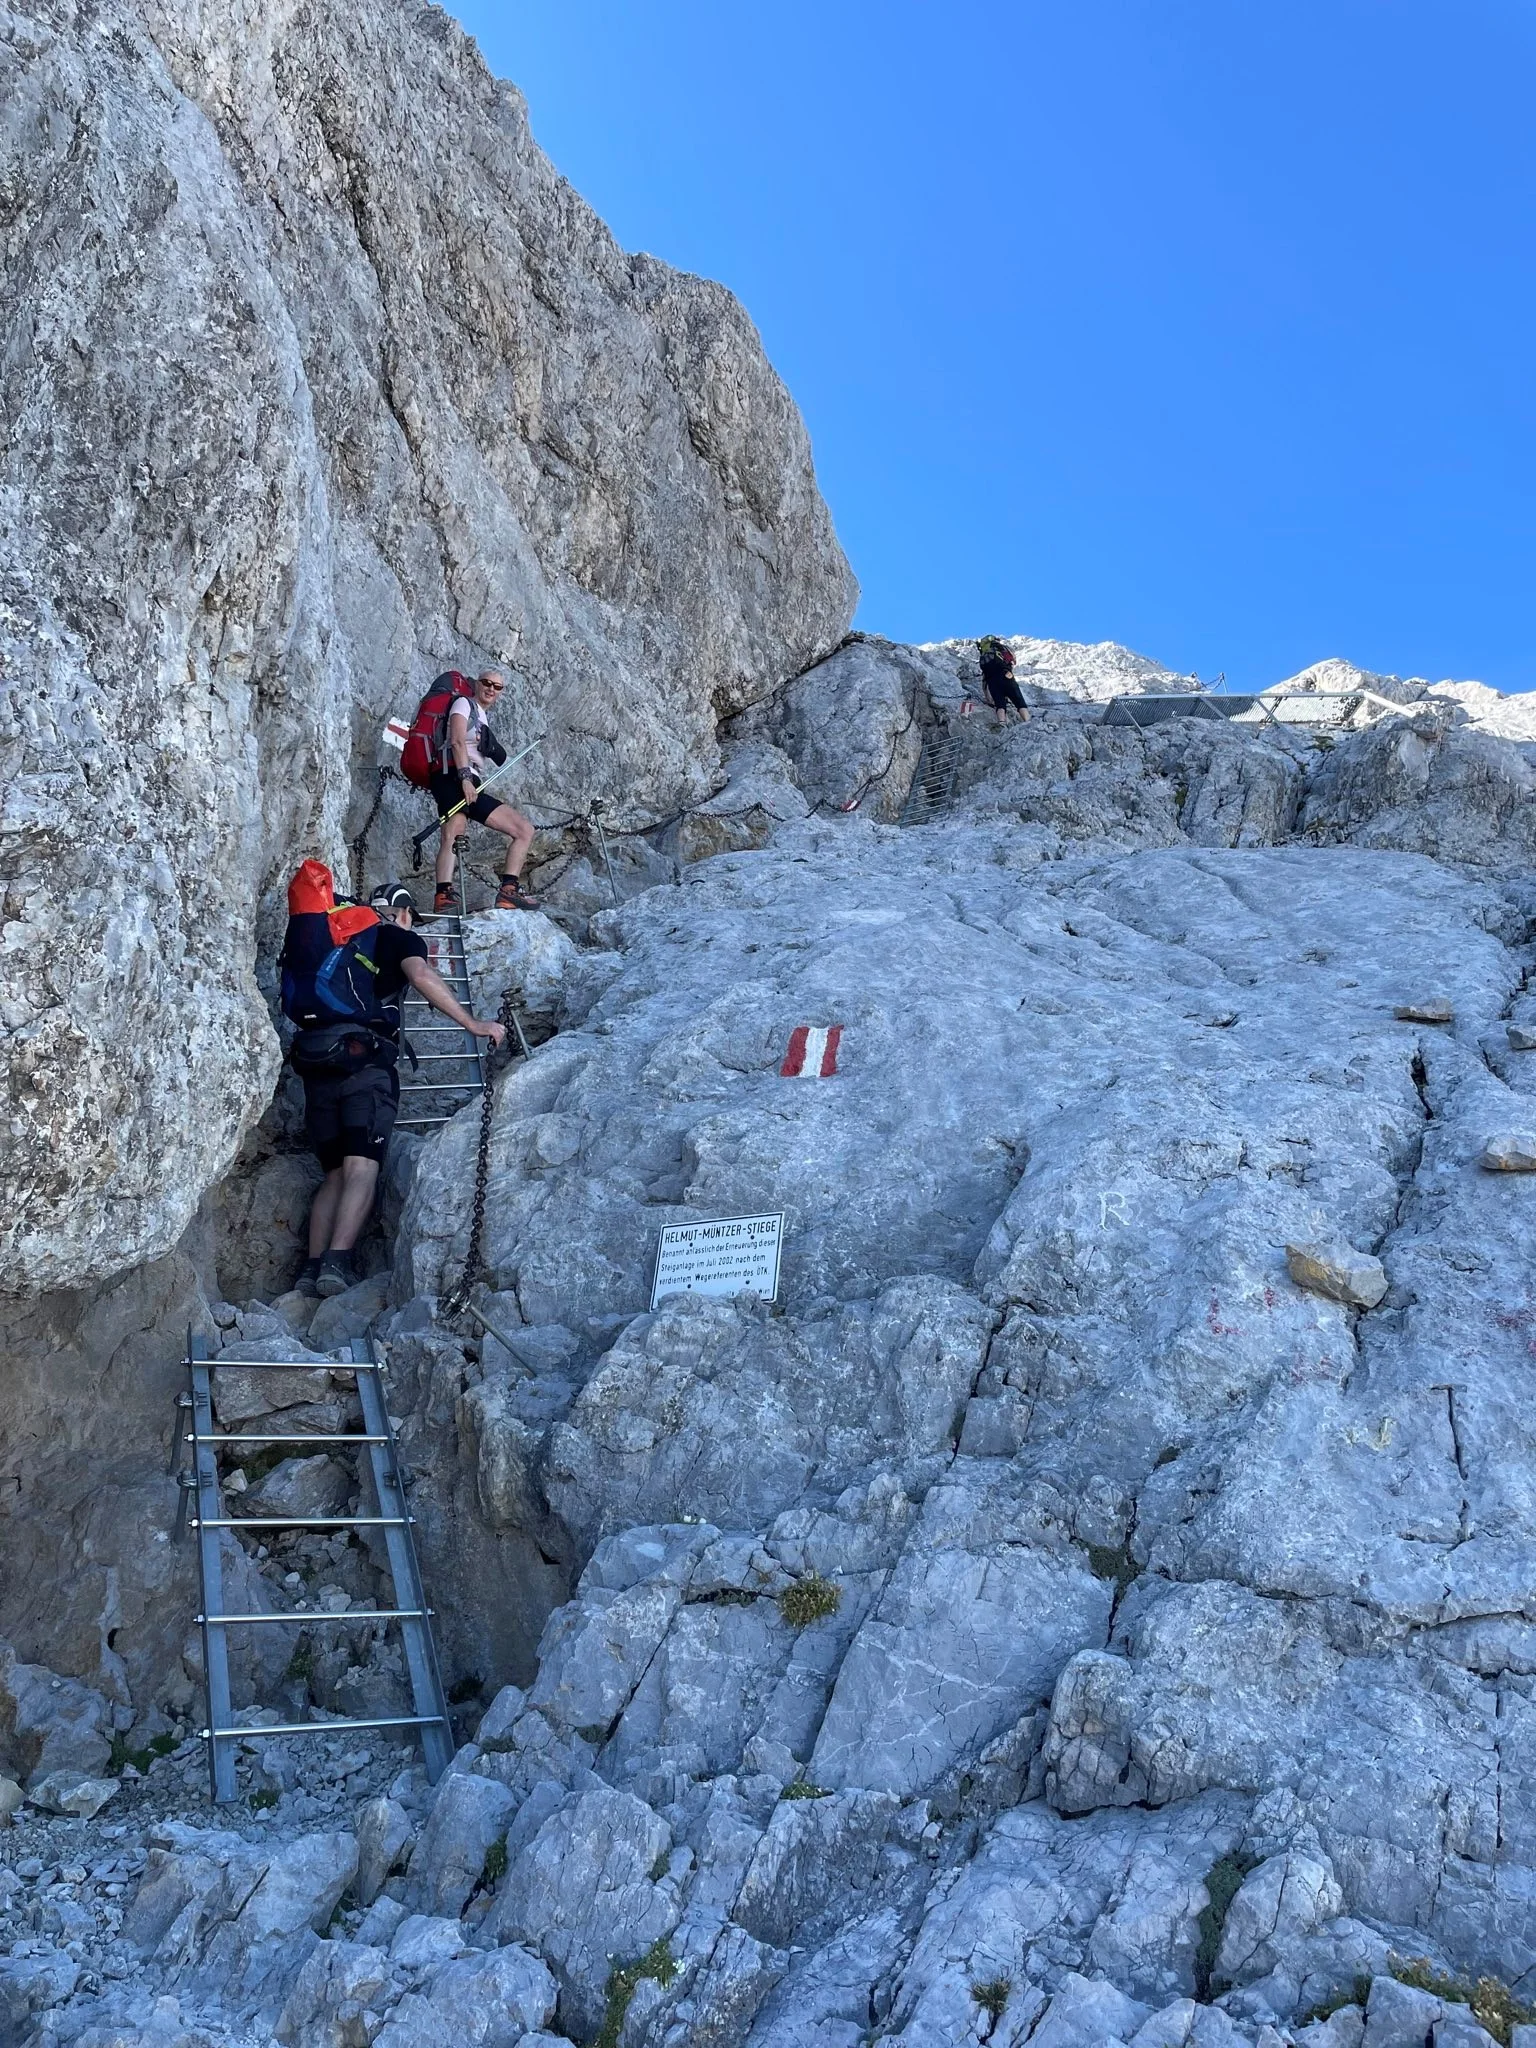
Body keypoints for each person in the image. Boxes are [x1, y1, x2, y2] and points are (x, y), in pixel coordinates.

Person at [297, 881, 507, 1298]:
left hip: (316, 1058)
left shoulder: (338, 934)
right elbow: (422, 973)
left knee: (335, 1172)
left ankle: (310, 1267)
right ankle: (336, 1266)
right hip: (364, 1062)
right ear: (405, 912)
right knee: (362, 1166)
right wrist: (472, 1023)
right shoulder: (397, 935)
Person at [430, 668, 539, 914]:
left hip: (464, 779)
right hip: (452, 776)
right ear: (476, 684)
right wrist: (465, 779)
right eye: (486, 683)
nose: (491, 688)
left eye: (497, 686)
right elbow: (457, 741)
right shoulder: (463, 704)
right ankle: (449, 896)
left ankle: (501, 892)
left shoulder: (480, 715)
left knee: (519, 830)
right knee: (457, 832)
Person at [977, 636, 1030, 728]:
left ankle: (1002, 723)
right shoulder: (1002, 649)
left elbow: (984, 681)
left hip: (992, 681)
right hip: (1006, 676)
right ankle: (1028, 721)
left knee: (999, 703)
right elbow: (1012, 660)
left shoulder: (985, 656)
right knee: (1019, 701)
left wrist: (988, 698)